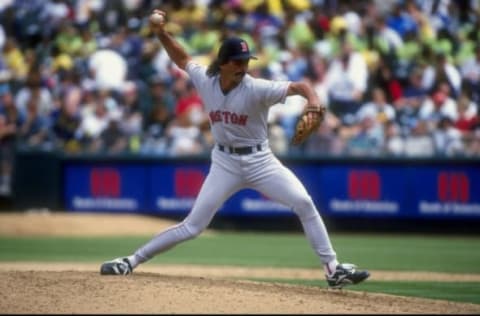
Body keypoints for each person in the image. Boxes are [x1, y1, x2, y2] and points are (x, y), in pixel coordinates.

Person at [100, 9, 370, 289]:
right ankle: (130, 261)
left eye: (246, 60)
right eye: (238, 61)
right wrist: (161, 34)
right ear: (224, 63)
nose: (244, 66)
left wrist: (313, 101)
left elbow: (300, 86)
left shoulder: (257, 88)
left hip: (261, 161)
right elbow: (182, 58)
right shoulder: (206, 79)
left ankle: (333, 269)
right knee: (193, 226)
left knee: (304, 203)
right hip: (224, 163)